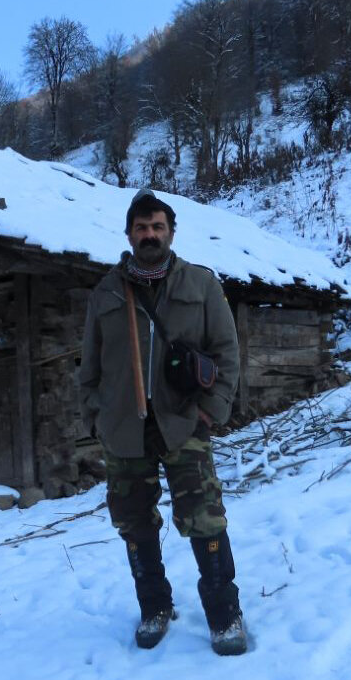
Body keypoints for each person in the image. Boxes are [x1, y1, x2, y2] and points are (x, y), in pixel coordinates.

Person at [79, 188, 247, 655]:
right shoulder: (107, 292)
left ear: (171, 232)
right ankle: (154, 606)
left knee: (204, 518)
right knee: (134, 523)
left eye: (157, 226)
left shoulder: (200, 284)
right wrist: (95, 415)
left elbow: (226, 352)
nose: (149, 234)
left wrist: (212, 409)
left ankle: (224, 615)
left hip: (182, 421)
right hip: (123, 428)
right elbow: (88, 364)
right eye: (141, 227)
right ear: (129, 233)